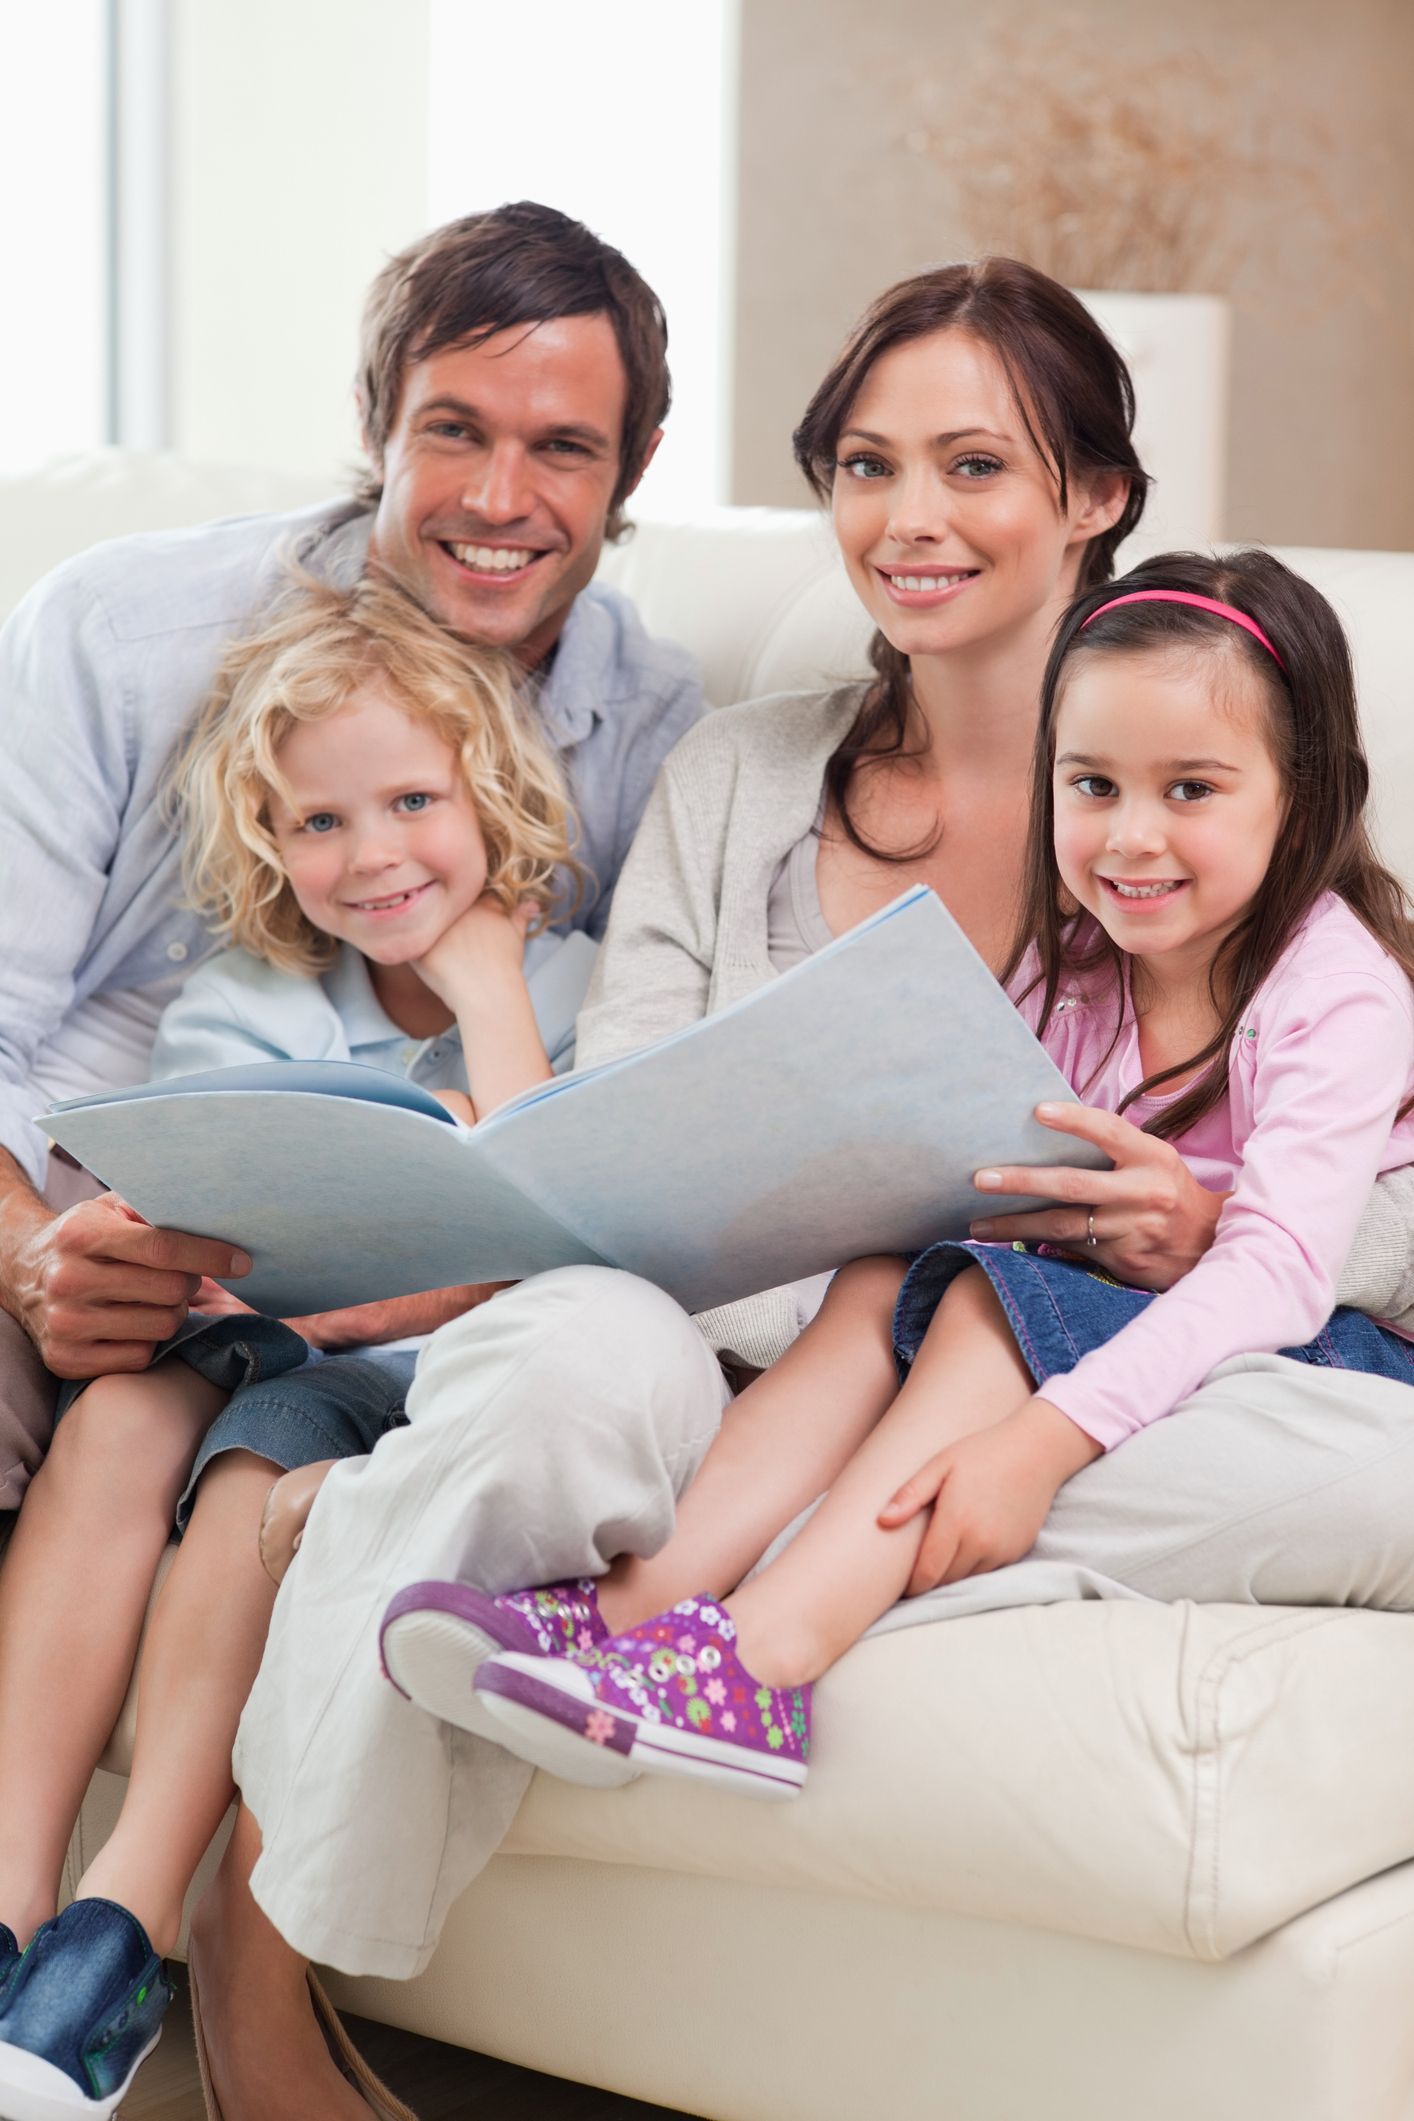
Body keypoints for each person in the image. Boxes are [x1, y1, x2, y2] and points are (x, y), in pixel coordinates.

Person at [191, 262, 1414, 2119]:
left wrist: (1182, 1235)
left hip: (1071, 1360)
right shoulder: (746, 774)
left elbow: (1345, 1216)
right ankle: (270, 1956)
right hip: (748, 1338)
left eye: (971, 465)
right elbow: (621, 1139)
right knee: (567, 1365)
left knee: (1240, 1428)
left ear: (1089, 492)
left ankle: (718, 1603)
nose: (908, 519)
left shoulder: (1216, 807)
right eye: (861, 463)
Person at [462, 548, 1414, 1797]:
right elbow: (994, 1163)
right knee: (882, 1277)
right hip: (1112, 1304)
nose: (1131, 837)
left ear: (1303, 798)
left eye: (1191, 789)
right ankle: (634, 1610)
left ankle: (760, 1661)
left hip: (1318, 1343)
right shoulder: (1079, 956)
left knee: (977, 1297)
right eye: (1091, 784)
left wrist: (1040, 1441)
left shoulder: (1334, 989)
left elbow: (1280, 1277)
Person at [0, 572, 601, 2118]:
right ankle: (14, 1929)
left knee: (264, 1449)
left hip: (416, 1399)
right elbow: (213, 1220)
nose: (374, 854)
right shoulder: (246, 996)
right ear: (267, 842)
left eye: (411, 799)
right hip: (258, 1346)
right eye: (319, 822)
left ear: (493, 794)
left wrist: (485, 999)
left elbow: (563, 1222)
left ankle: (119, 1924)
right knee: (120, 1420)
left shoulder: (577, 986)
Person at [0, 199, 703, 1515]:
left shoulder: (656, 732)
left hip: (343, 1293)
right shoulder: (114, 632)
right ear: (379, 416)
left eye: (561, 447)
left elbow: (606, 1142)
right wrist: (34, 1258)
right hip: (48, 1213)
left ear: (635, 467)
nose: (500, 500)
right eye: (453, 429)